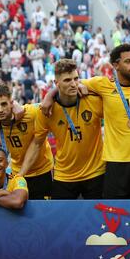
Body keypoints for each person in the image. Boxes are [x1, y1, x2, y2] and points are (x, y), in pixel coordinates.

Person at [44, 44, 130, 199]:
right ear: (116, 65)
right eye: (128, 61)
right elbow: (69, 83)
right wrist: (49, 96)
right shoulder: (102, 84)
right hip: (114, 163)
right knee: (113, 213)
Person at [32, 59, 105, 199]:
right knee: (61, 220)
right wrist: (20, 174)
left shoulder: (92, 100)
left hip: (96, 172)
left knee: (98, 220)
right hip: (64, 175)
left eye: (76, 79)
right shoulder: (47, 110)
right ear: (56, 83)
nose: (73, 84)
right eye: (67, 80)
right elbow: (37, 143)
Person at [0, 83, 53, 200]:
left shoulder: (31, 112)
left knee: (43, 213)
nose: (0, 110)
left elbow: (52, 103)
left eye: (4, 104)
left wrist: (52, 93)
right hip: (16, 172)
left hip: (41, 172)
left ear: (11, 103)